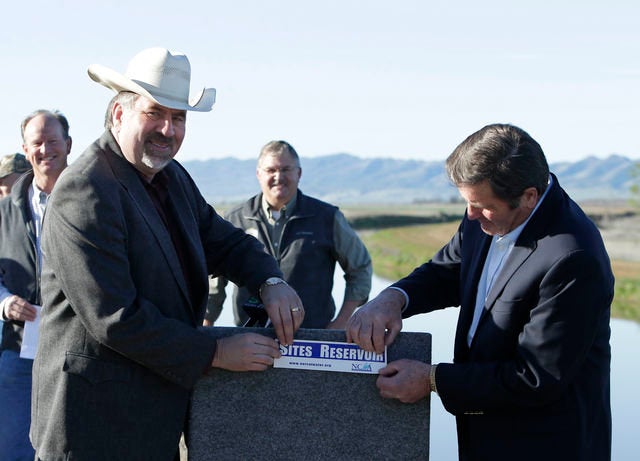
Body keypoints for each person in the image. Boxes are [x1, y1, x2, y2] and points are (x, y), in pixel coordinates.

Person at [30, 48, 304, 460]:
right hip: (92, 427)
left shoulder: (171, 177)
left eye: (178, 118)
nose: (167, 130)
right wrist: (215, 352)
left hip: (149, 420)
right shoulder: (84, 189)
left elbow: (224, 241)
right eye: (155, 113)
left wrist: (270, 281)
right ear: (119, 115)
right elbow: (115, 318)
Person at [346, 123, 613, 461]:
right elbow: (449, 270)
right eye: (467, 203)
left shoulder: (573, 257)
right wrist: (393, 298)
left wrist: (431, 379)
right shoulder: (485, 212)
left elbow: (535, 376)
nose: (470, 215)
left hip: (544, 444)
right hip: (482, 437)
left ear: (529, 196)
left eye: (482, 206)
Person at [206, 140, 372, 329]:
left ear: (299, 173)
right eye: (271, 170)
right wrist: (207, 325)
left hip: (311, 341)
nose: (278, 176)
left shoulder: (327, 217)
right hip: (250, 340)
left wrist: (340, 323)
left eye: (286, 169)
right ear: (258, 174)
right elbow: (214, 282)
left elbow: (360, 268)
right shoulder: (236, 219)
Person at [0, 110, 72, 461]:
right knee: (14, 448)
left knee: (70, 447)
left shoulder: (94, 201)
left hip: (77, 352)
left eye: (53, 141)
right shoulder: (4, 211)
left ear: (68, 145)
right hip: (18, 350)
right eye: (37, 143)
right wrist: (4, 301)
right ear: (26, 150)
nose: (46, 149)